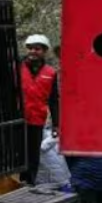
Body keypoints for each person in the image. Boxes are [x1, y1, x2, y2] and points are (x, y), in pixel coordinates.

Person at [20, 34, 60, 185]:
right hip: (18, 118)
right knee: (18, 152)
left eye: (37, 49)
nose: (33, 51)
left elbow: (53, 100)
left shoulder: (50, 73)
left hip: (37, 118)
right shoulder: (17, 67)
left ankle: (29, 182)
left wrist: (56, 124)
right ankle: (17, 180)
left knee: (33, 153)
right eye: (30, 48)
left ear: (44, 51)